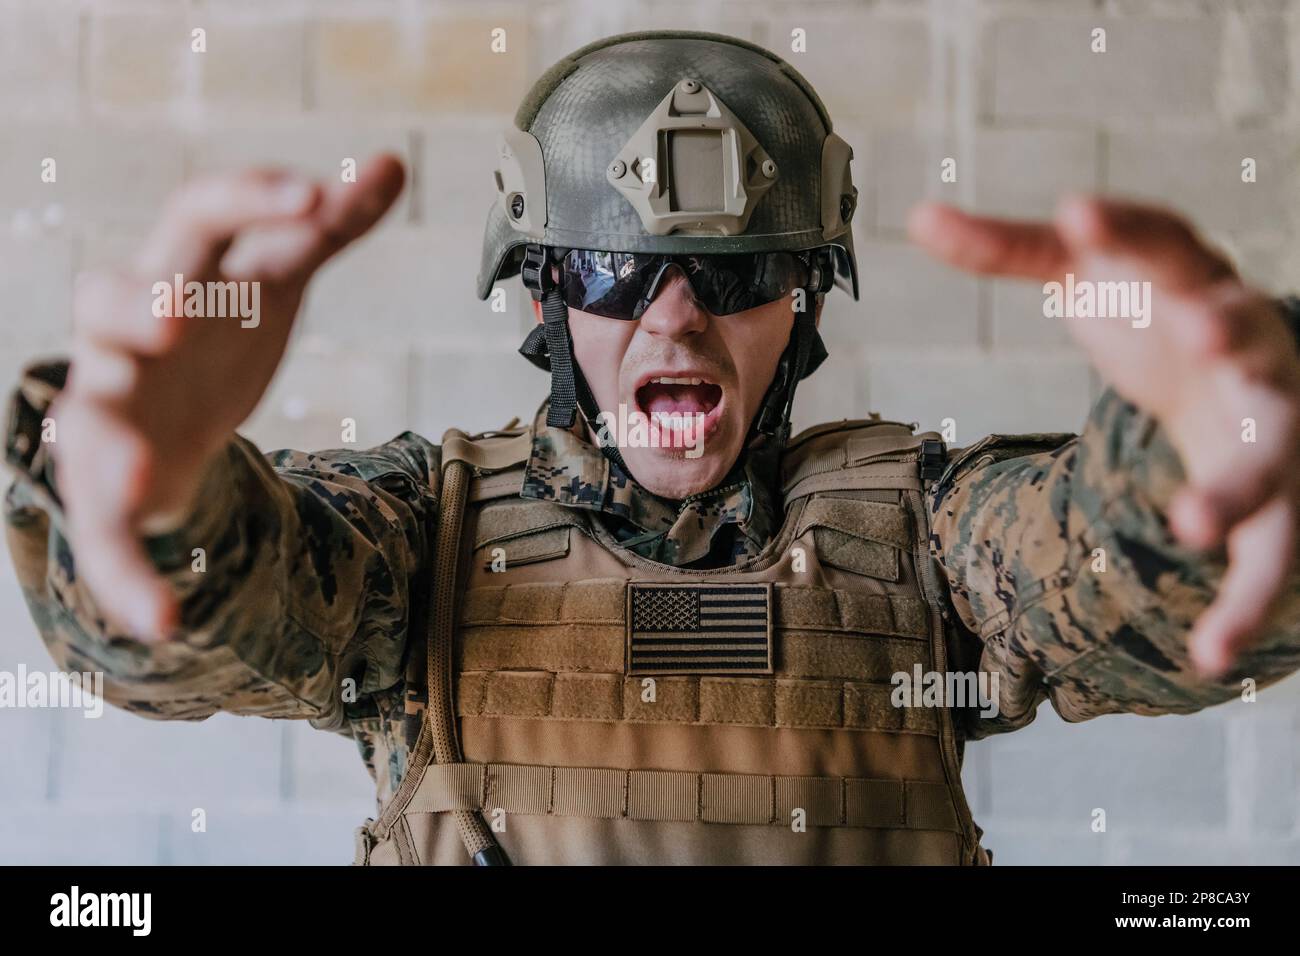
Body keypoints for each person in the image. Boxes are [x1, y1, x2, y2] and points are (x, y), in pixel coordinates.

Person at [5, 31, 1300, 865]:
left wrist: (1197, 465)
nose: (675, 315)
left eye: (737, 271)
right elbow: (226, 616)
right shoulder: (419, 540)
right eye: (618, 272)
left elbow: (1109, 576)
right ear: (543, 299)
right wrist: (163, 499)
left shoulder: (930, 537)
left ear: (806, 300)